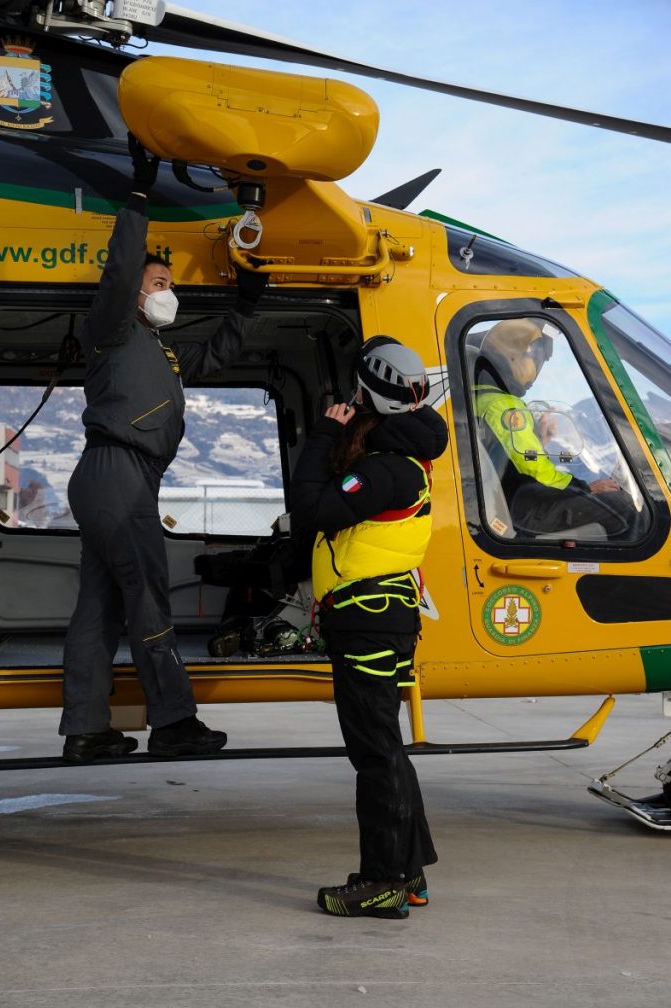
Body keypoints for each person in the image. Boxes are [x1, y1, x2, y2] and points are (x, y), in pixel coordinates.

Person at [59, 135, 269, 763]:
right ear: (136, 292)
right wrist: (139, 197)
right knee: (147, 593)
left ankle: (86, 729)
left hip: (124, 479)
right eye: (159, 280)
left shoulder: (164, 350)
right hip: (116, 473)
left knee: (97, 607)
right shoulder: (111, 331)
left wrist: (249, 305)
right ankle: (174, 721)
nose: (166, 287)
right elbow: (121, 271)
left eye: (170, 281)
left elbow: (215, 355)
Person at [291, 336, 448, 919]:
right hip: (378, 617)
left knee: (375, 755)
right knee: (385, 749)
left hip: (368, 622)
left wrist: (323, 437)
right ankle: (408, 874)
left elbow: (312, 511)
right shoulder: (403, 458)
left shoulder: (386, 471)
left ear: (369, 398)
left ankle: (383, 883)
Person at [474, 319, 643, 539]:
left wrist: (540, 440)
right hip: (525, 511)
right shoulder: (504, 406)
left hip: (511, 502)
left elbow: (510, 460)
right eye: (536, 360)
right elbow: (532, 469)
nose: (537, 371)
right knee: (627, 505)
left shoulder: (480, 398)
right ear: (514, 355)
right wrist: (585, 487)